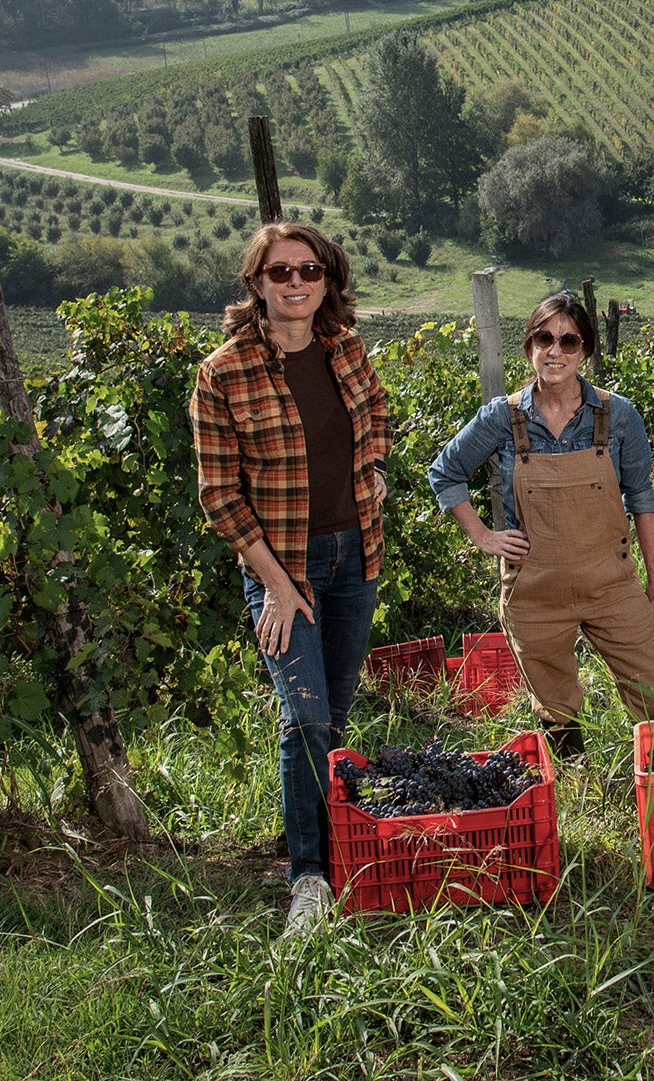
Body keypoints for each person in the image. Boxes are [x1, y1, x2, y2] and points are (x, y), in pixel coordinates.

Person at [190, 221, 390, 937]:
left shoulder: (344, 350)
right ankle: (306, 876)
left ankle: (336, 850)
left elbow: (378, 421)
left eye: (309, 270)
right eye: (281, 272)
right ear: (256, 284)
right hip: (284, 570)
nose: (296, 282)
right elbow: (220, 496)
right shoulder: (224, 373)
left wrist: (375, 476)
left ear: (327, 279)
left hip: (354, 561)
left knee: (333, 717)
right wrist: (277, 584)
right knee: (302, 717)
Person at [428, 292, 654, 755]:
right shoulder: (502, 418)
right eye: (545, 338)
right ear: (529, 345)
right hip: (535, 592)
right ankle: (577, 786)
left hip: (611, 585)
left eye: (569, 341)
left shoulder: (617, 415)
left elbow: (642, 498)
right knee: (555, 705)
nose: (556, 351)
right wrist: (483, 536)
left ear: (584, 349)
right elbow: (445, 472)